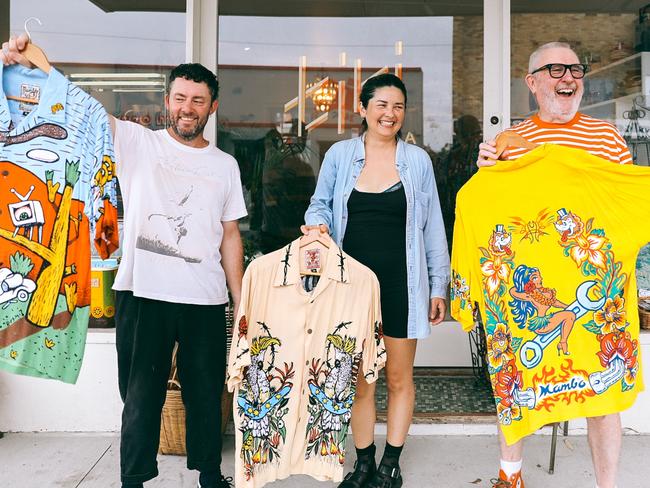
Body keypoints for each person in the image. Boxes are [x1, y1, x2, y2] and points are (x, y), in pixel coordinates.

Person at [2, 34, 247, 488]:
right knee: (139, 396)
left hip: (206, 298)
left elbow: (230, 234)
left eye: (198, 100)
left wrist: (241, 298)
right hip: (143, 292)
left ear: (212, 107)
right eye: (180, 98)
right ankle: (133, 479)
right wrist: (33, 62)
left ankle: (210, 476)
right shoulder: (137, 143)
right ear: (167, 102)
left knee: (206, 392)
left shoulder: (224, 166)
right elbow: (79, 103)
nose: (187, 108)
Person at [477, 41, 633, 488]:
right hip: (537, 290)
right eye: (556, 69)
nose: (569, 78)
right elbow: (493, 214)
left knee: (605, 390)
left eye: (575, 69)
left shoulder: (607, 138)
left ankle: (609, 485)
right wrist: (485, 172)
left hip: (596, 289)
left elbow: (624, 205)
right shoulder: (512, 140)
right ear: (532, 83)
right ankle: (510, 477)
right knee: (517, 378)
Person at [302, 73, 449, 488]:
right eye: (381, 105)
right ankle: (363, 461)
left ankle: (391, 464)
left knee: (399, 378)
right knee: (360, 379)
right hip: (351, 288)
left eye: (398, 106)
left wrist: (439, 285)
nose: (390, 113)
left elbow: (433, 227)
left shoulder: (417, 160)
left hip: (403, 284)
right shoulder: (339, 155)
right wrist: (316, 224)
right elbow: (320, 204)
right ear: (363, 109)